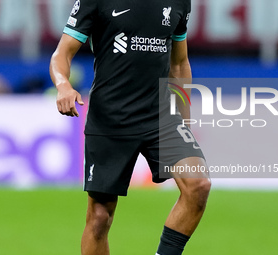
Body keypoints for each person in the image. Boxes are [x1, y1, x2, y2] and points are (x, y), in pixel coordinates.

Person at [49, 0, 211, 254]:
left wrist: (185, 122)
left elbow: (179, 63)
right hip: (110, 118)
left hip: (160, 115)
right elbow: (62, 54)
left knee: (198, 185)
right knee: (100, 217)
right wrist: (63, 85)